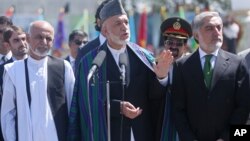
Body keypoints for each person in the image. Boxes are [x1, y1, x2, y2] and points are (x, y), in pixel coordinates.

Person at [68, 0, 173, 141]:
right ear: (105, 31)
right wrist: (118, 107)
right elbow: (87, 105)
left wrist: (161, 77)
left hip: (140, 133)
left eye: (126, 22)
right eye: (118, 23)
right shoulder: (90, 62)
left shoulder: (143, 56)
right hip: (108, 134)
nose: (124, 27)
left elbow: (154, 98)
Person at [172, 11, 250, 141]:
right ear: (196, 34)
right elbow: (178, 109)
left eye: (219, 27)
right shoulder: (181, 66)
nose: (217, 32)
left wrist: (225, 138)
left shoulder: (238, 63)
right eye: (209, 28)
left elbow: (244, 107)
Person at [1, 20, 75, 141]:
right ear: (28, 39)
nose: (44, 42)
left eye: (48, 38)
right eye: (39, 37)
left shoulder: (63, 67)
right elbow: (8, 114)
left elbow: (73, 107)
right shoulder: (13, 71)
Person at [159, 17, 192, 141]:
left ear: (185, 46)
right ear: (164, 43)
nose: (173, 46)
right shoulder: (155, 65)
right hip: (163, 122)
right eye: (170, 42)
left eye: (178, 43)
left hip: (188, 123)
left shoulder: (194, 66)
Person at [74, 0, 109, 74]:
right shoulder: (85, 51)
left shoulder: (130, 50)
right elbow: (79, 82)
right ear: (99, 22)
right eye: (109, 19)